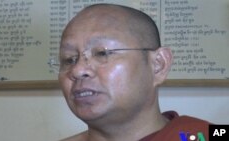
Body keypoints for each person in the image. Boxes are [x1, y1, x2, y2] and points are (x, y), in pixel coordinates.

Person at [58, 4, 209, 141]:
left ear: (158, 65)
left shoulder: (203, 135)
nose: (77, 70)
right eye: (69, 59)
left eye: (102, 53)